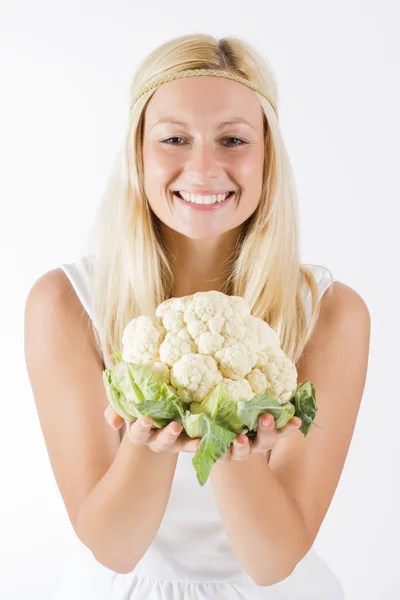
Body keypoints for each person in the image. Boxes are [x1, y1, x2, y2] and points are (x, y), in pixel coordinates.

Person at [24, 33, 370, 599]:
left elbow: (274, 560)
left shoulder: (331, 314)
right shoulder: (66, 303)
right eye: (174, 139)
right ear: (138, 151)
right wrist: (146, 437)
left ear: (267, 155)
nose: (204, 168)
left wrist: (229, 432)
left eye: (233, 139)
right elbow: (114, 547)